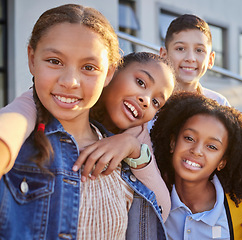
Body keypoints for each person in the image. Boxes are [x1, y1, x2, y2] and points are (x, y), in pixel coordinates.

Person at [0, 4, 174, 239]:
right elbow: (16, 118)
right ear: (32, 59)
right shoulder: (24, 125)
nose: (70, 81)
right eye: (54, 61)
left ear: (109, 74)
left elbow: (157, 214)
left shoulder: (126, 151)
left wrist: (132, 148)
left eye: (89, 67)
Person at [150, 91, 242, 239]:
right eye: (189, 138)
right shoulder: (151, 198)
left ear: (222, 162)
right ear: (173, 143)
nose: (196, 151)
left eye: (212, 147)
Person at [160, 14, 230, 106]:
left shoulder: (220, 104)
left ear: (210, 59)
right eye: (180, 49)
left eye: (199, 50)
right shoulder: (148, 103)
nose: (190, 58)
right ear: (164, 55)